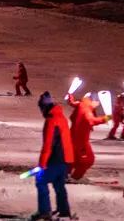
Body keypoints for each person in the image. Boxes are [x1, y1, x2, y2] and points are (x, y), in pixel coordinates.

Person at [33, 91, 75, 220]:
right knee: (59, 184)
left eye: (41, 107)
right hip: (66, 158)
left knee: (41, 180)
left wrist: (42, 164)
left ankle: (44, 211)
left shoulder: (51, 120)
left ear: (44, 107)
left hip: (56, 158)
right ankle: (64, 211)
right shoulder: (61, 116)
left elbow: (48, 144)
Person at [66, 93, 110, 182]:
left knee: (74, 158)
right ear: (94, 101)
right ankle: (76, 178)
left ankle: (65, 174)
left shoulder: (82, 104)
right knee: (88, 159)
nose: (97, 105)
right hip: (80, 139)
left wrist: (70, 96)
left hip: (73, 136)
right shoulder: (87, 109)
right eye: (98, 103)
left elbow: (73, 103)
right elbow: (91, 120)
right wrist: (106, 118)